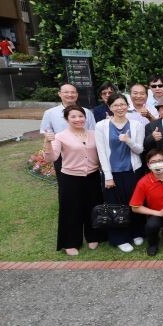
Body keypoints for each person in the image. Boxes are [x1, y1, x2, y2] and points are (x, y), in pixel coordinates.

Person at [42, 105, 105, 256]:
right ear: (67, 119)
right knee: (71, 210)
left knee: (93, 207)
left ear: (85, 117)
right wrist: (47, 142)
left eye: (81, 116)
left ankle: (94, 236)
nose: (78, 119)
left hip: (92, 176)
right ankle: (70, 242)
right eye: (73, 117)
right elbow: (51, 157)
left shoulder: (93, 133)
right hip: (70, 178)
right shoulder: (60, 136)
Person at [95, 93, 146, 253]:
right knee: (116, 206)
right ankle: (120, 238)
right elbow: (101, 152)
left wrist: (128, 140)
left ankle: (136, 232)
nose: (120, 108)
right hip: (113, 173)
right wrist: (108, 176)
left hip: (133, 170)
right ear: (110, 107)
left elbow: (139, 150)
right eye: (115, 105)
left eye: (122, 104)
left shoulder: (136, 124)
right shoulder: (101, 126)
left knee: (134, 203)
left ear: (127, 105)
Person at [39, 83, 97, 174]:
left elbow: (93, 131)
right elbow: (46, 132)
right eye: (66, 92)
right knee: (66, 183)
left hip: (85, 153)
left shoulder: (87, 112)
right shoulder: (50, 113)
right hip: (60, 153)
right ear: (59, 94)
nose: (70, 95)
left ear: (77, 94)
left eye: (73, 92)